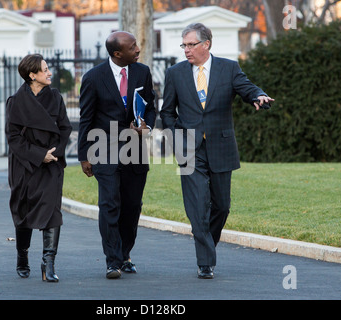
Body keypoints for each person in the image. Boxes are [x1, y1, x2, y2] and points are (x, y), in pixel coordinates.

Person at [160, 23, 274, 279]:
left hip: (221, 147)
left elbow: (247, 88)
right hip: (189, 149)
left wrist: (259, 96)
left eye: (191, 45)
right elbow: (167, 111)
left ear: (206, 44)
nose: (186, 50)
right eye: (184, 45)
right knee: (198, 208)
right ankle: (205, 262)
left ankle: (207, 245)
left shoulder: (228, 68)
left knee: (221, 207)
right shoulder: (175, 73)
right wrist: (175, 140)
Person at [78, 31, 156, 279]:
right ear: (117, 54)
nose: (138, 49)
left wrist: (147, 125)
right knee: (110, 203)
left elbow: (150, 106)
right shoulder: (93, 78)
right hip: (104, 148)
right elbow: (86, 118)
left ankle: (125, 254)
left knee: (132, 206)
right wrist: (84, 155)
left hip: (135, 149)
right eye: (133, 46)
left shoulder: (142, 72)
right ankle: (112, 261)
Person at [5, 54, 72, 282]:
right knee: (23, 212)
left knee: (52, 212)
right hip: (25, 165)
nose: (49, 72)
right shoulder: (16, 101)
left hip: (51, 164)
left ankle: (48, 263)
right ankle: (22, 256)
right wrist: (37, 155)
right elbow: (13, 138)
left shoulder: (55, 98)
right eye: (44, 70)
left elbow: (65, 129)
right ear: (32, 75)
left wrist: (52, 154)